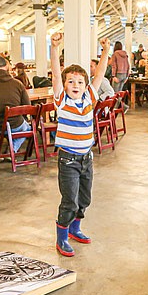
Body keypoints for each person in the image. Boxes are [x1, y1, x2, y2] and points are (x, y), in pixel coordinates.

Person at [50, 32, 110, 257]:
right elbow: (56, 74)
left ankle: (75, 229)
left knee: (84, 199)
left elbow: (101, 73)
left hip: (87, 158)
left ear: (86, 85)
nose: (76, 85)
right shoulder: (62, 101)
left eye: (80, 82)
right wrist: (54, 48)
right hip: (68, 160)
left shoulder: (89, 99)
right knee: (69, 201)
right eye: (71, 81)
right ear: (65, 85)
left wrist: (105, 51)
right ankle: (62, 238)